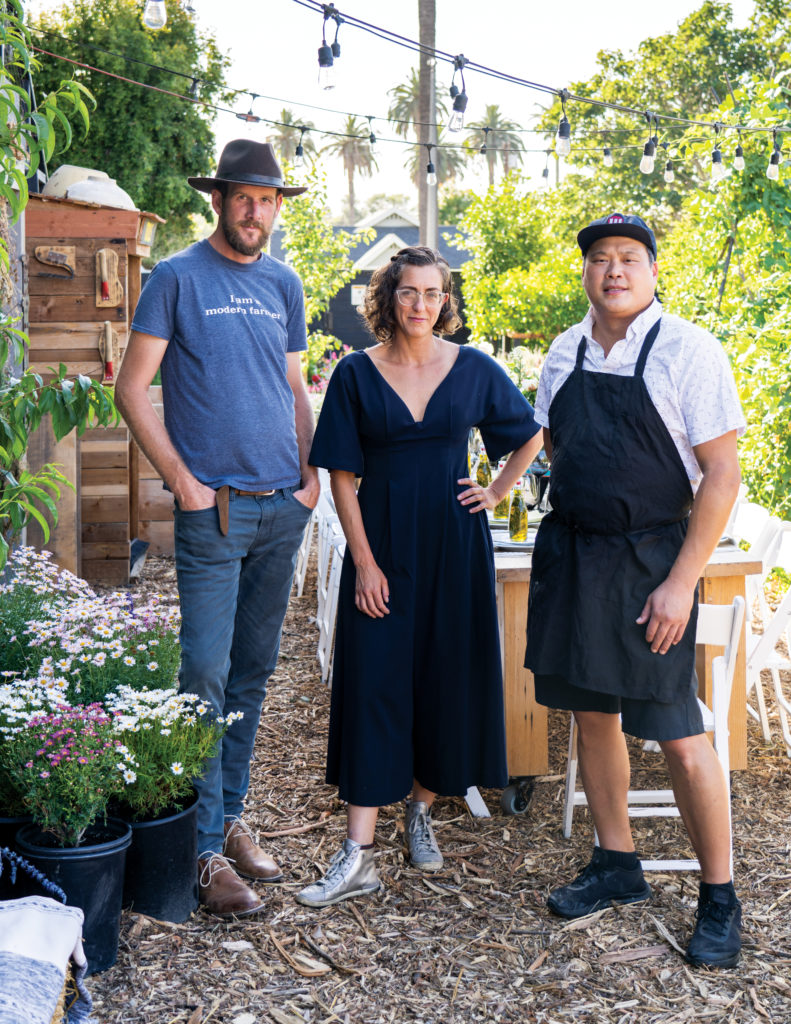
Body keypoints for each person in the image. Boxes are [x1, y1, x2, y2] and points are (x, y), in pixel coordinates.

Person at [524, 213, 746, 967]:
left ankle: (719, 896)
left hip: (655, 564)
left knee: (680, 737)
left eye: (627, 258)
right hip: (577, 556)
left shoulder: (688, 349)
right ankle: (615, 865)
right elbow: (556, 447)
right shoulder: (563, 351)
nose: (612, 270)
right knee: (592, 718)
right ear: (584, 272)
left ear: (651, 272)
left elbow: (721, 473)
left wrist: (681, 582)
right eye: (598, 259)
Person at [297, 246, 542, 908]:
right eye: (409, 292)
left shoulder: (473, 369)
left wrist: (494, 492)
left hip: (453, 548)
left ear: (444, 303)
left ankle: (421, 811)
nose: (420, 305)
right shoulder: (354, 374)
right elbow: (341, 477)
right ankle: (357, 854)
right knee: (373, 684)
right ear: (387, 298)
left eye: (433, 294)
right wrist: (365, 562)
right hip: (381, 547)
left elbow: (528, 434)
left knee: (444, 677)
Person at [115, 140, 319, 918]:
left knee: (252, 673)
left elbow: (294, 387)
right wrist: (182, 482)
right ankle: (198, 853)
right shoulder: (175, 277)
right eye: (242, 196)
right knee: (201, 677)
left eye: (266, 200)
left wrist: (307, 478)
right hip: (215, 512)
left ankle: (228, 818)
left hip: (279, 509)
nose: (254, 211)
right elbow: (133, 389)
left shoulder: (284, 283)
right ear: (218, 200)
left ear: (276, 208)